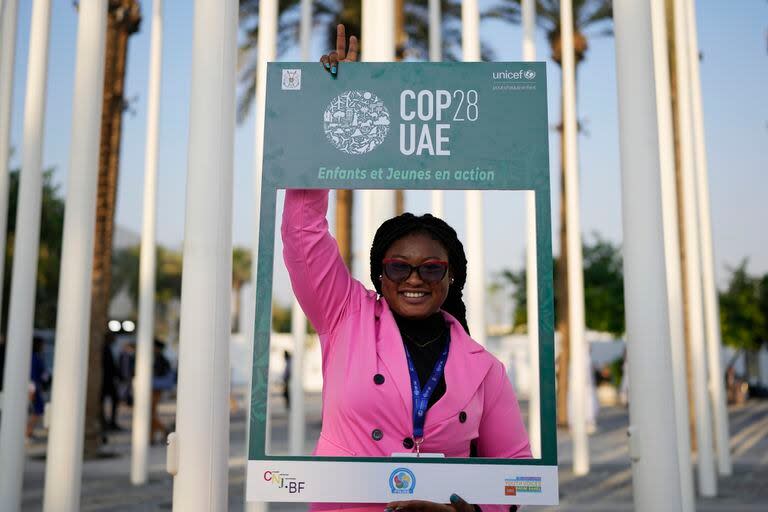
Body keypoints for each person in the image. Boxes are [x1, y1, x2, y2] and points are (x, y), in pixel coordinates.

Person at [280, 25, 530, 512]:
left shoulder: (485, 369)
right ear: (379, 275)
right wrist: (329, 105)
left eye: (432, 268)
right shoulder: (344, 317)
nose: (414, 278)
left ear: (451, 277)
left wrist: (464, 511)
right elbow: (303, 232)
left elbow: (515, 476)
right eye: (399, 267)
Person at [26, 336, 50, 440]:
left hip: (37, 387)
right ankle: (28, 431)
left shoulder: (37, 356)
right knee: (38, 410)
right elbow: (32, 374)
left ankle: (29, 431)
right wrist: (32, 389)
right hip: (34, 387)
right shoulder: (34, 357)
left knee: (38, 410)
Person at [151, 339, 174, 444]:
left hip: (155, 389)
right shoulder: (159, 358)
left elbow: (158, 373)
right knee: (151, 413)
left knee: (150, 413)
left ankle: (164, 430)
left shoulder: (159, 359)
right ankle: (151, 436)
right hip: (154, 388)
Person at [101, 331, 121, 430]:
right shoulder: (105, 349)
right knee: (109, 400)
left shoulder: (109, 348)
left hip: (109, 380)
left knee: (114, 400)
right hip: (106, 380)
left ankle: (110, 421)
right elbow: (109, 366)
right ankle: (106, 421)